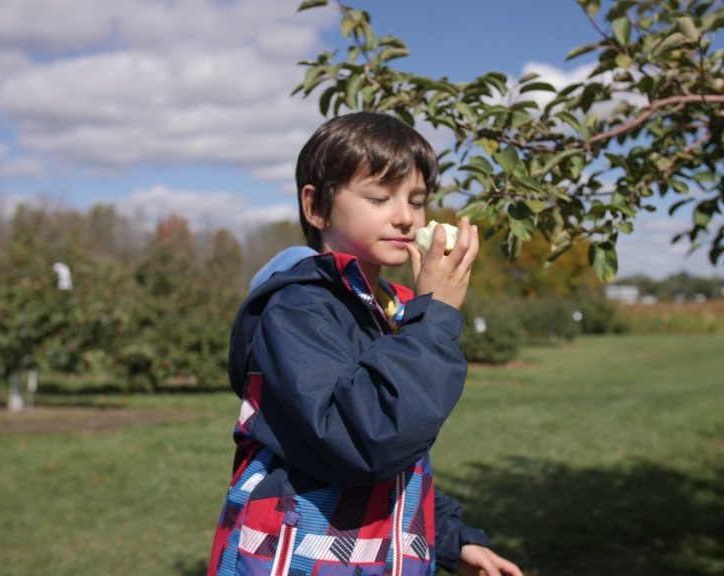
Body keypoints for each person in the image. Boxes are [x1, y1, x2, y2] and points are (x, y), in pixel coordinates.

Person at [208, 112, 523, 576]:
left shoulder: (394, 310)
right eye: (379, 197)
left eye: (417, 200)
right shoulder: (297, 310)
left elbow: (401, 455)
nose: (405, 216)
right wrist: (436, 318)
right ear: (317, 207)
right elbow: (362, 440)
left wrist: (451, 541)